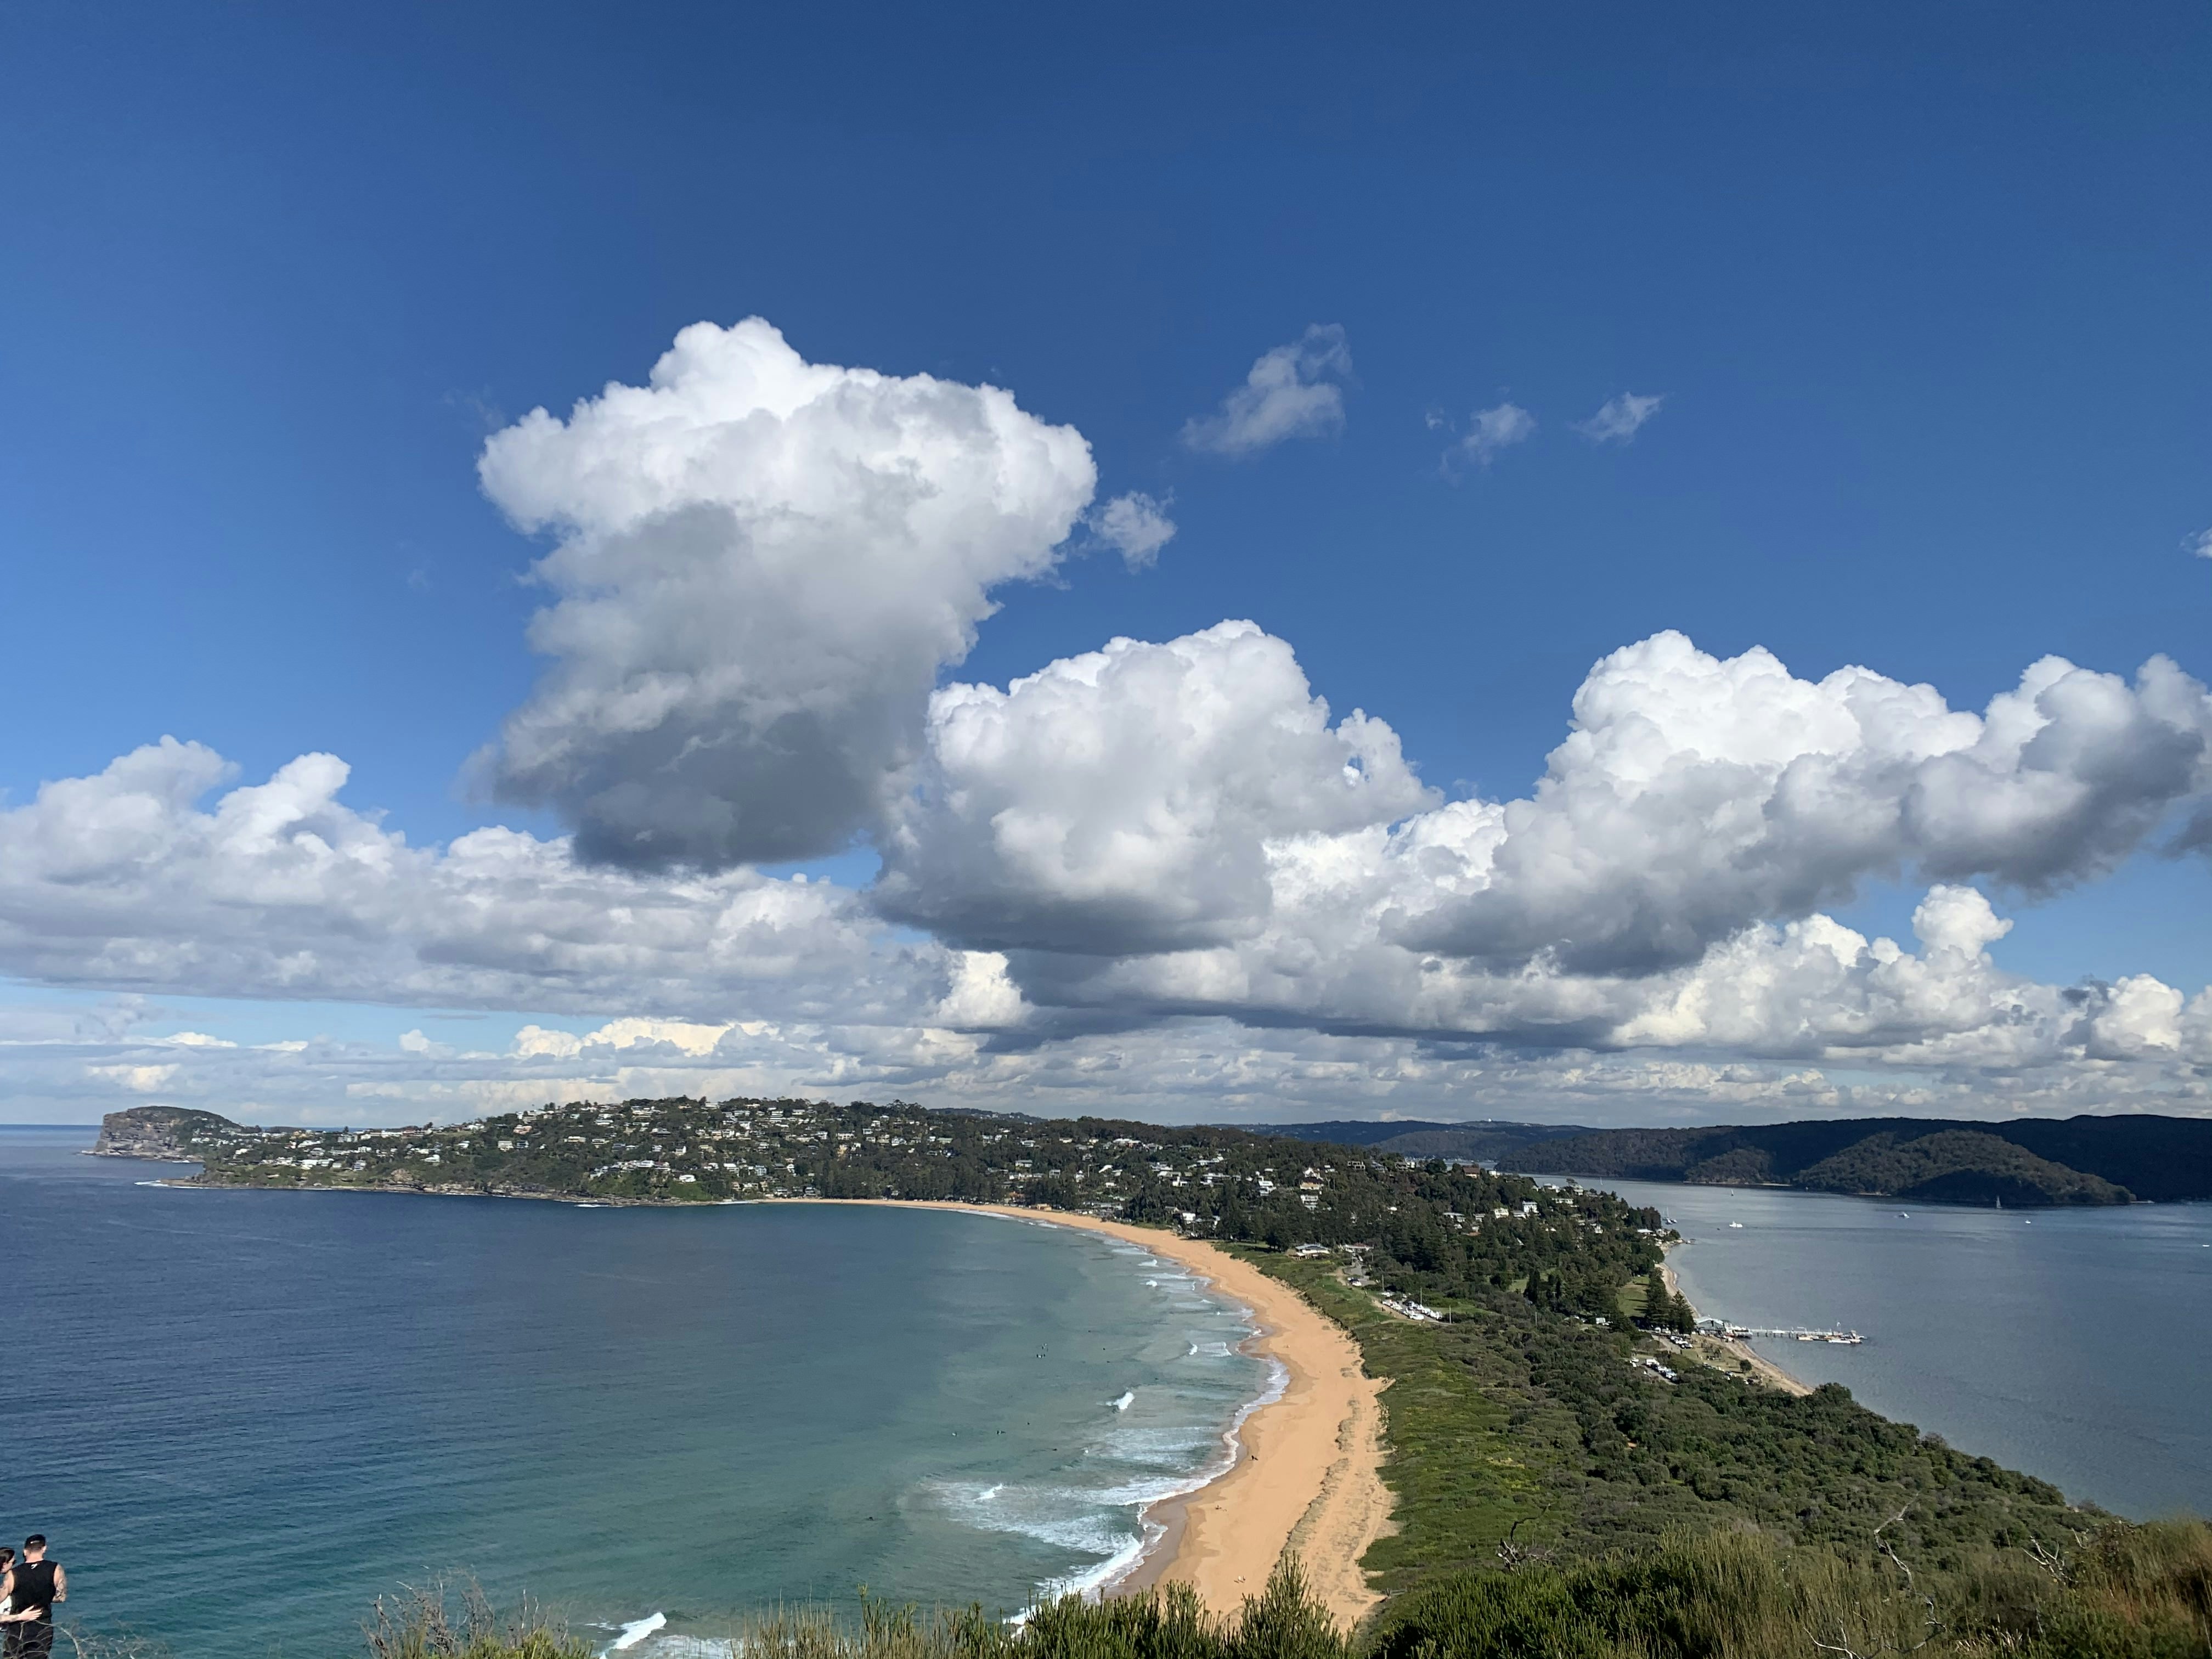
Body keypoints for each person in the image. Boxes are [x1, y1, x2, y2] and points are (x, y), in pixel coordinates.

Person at [0, 1536, 63, 1659]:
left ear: (25, 1551)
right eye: (13, 1563)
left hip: (17, 1631)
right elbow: (61, 1597)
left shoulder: (12, 1577)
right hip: (38, 1626)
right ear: (44, 1549)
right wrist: (19, 1616)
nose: (13, 1566)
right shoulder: (56, 1569)